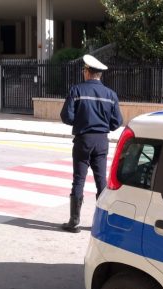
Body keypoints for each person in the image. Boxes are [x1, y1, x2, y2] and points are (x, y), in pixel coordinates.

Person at [59, 54, 123, 233]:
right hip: (102, 140)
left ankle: (74, 221)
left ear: (87, 72)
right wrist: (103, 126)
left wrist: (81, 122)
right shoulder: (111, 94)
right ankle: (102, 223)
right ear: (99, 75)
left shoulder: (77, 90)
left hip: (83, 139)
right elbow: (117, 121)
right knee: (101, 180)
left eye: (84, 70)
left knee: (78, 179)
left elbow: (66, 116)